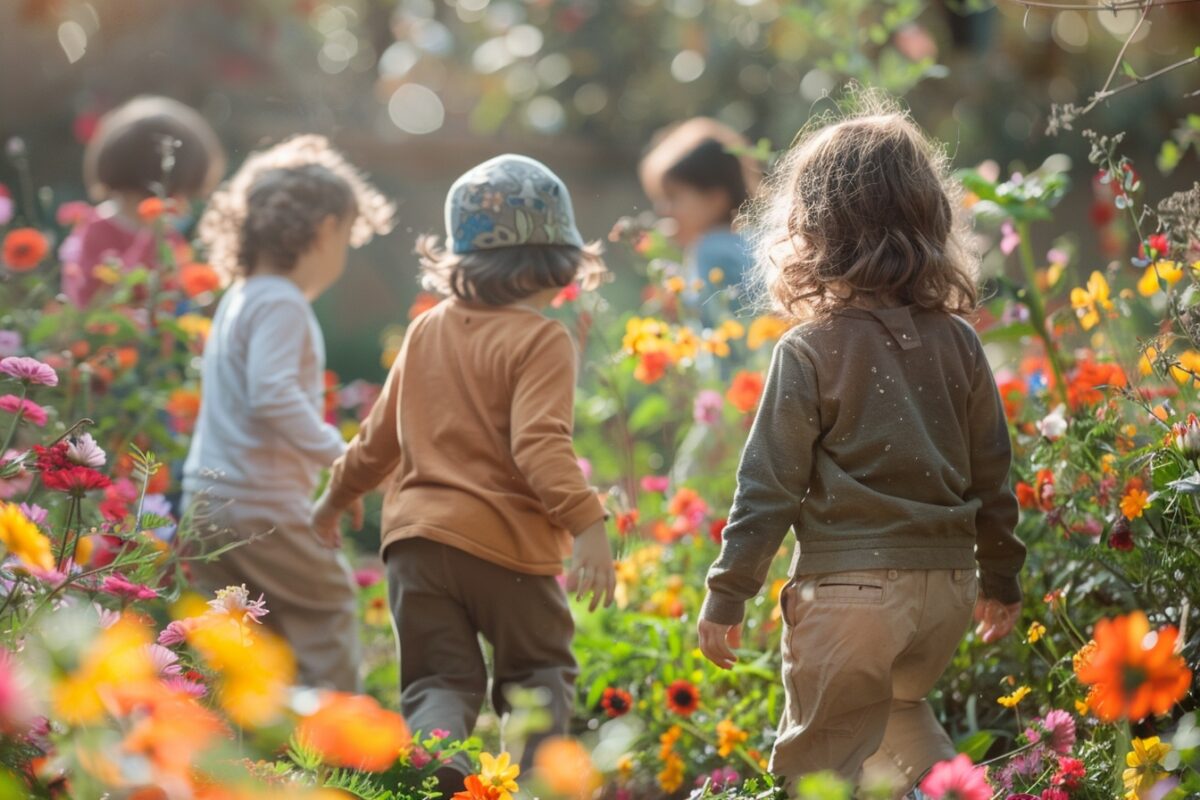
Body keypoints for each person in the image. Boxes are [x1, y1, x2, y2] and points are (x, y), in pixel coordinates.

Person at [696, 96, 1026, 799]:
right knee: (902, 716)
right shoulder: (959, 342)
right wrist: (1001, 576)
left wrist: (729, 594)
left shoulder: (811, 348)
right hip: (943, 589)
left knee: (820, 763)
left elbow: (768, 488)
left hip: (851, 597)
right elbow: (994, 472)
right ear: (931, 220)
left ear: (812, 228)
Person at [312, 154, 614, 787]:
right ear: (559, 258)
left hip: (416, 548)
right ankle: (532, 783)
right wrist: (590, 524)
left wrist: (335, 498)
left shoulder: (424, 332)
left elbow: (377, 439)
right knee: (537, 675)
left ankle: (439, 770)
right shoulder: (541, 340)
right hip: (508, 551)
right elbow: (539, 447)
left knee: (438, 681)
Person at [183, 135, 394, 691]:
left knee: (250, 646)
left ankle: (255, 759)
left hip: (206, 505)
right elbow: (272, 395)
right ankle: (334, 759)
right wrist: (346, 459)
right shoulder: (282, 302)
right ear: (325, 230)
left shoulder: (241, 296)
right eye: (348, 236)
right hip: (262, 509)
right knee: (326, 607)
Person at [63, 95, 226, 307]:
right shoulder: (96, 232)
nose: (180, 207)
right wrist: (150, 240)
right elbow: (91, 303)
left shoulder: (170, 237)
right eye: (175, 196)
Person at [638, 117, 760, 317]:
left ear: (715, 198)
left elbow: (720, 331)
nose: (663, 210)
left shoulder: (711, 250)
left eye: (672, 197)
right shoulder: (748, 241)